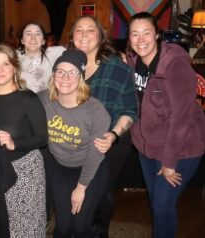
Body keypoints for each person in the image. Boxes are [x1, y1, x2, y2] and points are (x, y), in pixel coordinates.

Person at [126, 12, 205, 238]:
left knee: (162, 205)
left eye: (146, 33)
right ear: (129, 38)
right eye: (135, 34)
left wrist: (169, 162)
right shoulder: (133, 62)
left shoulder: (175, 65)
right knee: (156, 203)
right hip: (148, 146)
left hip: (182, 147)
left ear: (158, 35)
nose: (140, 40)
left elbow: (181, 119)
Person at [69, 15, 139, 238]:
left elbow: (130, 110)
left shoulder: (116, 66)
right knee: (81, 188)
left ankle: (100, 231)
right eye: (79, 30)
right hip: (76, 141)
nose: (84, 35)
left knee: (102, 190)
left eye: (91, 30)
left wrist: (113, 135)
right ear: (72, 37)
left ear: (101, 36)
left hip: (109, 141)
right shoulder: (68, 66)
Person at [0, 43, 48, 237]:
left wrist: (15, 142)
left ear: (14, 67)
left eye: (5, 64)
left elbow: (42, 138)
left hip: (23, 171)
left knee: (23, 230)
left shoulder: (28, 98)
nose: (0, 70)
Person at [38, 49, 110, 237]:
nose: (65, 77)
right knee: (62, 227)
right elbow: (16, 102)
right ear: (53, 75)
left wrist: (81, 188)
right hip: (60, 169)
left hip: (89, 170)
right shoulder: (43, 99)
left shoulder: (95, 110)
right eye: (60, 71)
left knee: (80, 227)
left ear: (81, 77)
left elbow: (95, 154)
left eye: (72, 72)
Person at [17, 21, 66, 93]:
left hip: (47, 102)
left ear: (43, 41)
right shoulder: (13, 56)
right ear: (22, 40)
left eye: (37, 34)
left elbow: (76, 54)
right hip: (21, 101)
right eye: (28, 34)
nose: (33, 37)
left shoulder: (53, 53)